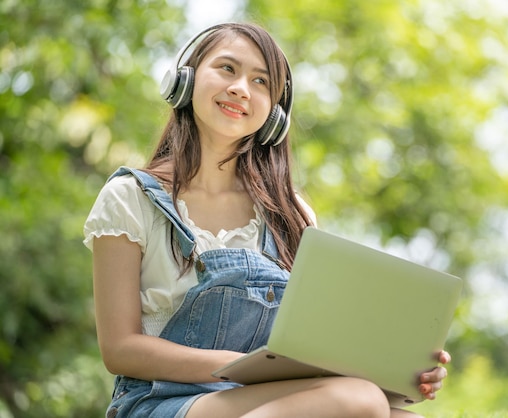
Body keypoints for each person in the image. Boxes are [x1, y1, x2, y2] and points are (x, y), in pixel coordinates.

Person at [83, 22, 450, 418]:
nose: (242, 88)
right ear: (184, 80)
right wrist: (245, 371)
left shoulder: (291, 213)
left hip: (262, 396)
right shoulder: (130, 197)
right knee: (358, 401)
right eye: (227, 69)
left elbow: (317, 344)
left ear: (274, 114)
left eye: (261, 81)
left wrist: (398, 371)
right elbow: (120, 349)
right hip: (160, 403)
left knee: (397, 414)